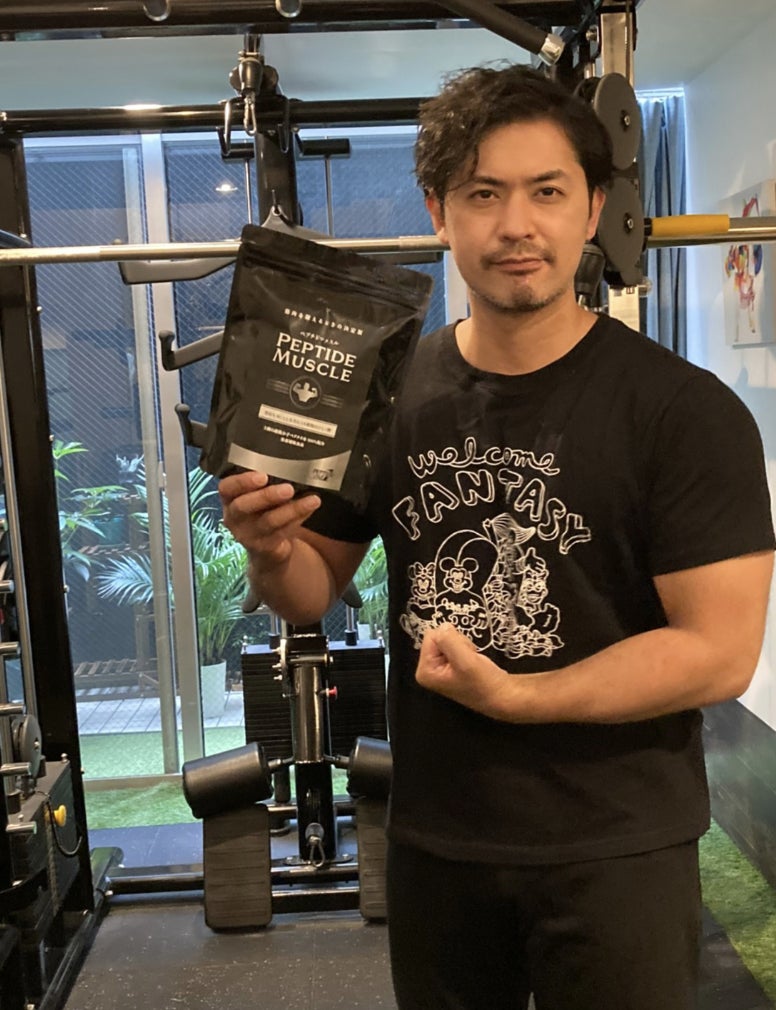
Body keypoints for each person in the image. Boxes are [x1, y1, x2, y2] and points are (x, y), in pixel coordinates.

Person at [219, 64, 775, 1010]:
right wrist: (271, 551)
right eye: (484, 194)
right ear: (440, 211)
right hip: (439, 841)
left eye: (547, 192)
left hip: (619, 849)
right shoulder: (388, 394)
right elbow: (314, 588)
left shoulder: (686, 413)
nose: (517, 225)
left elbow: (719, 653)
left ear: (592, 208)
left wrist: (518, 698)